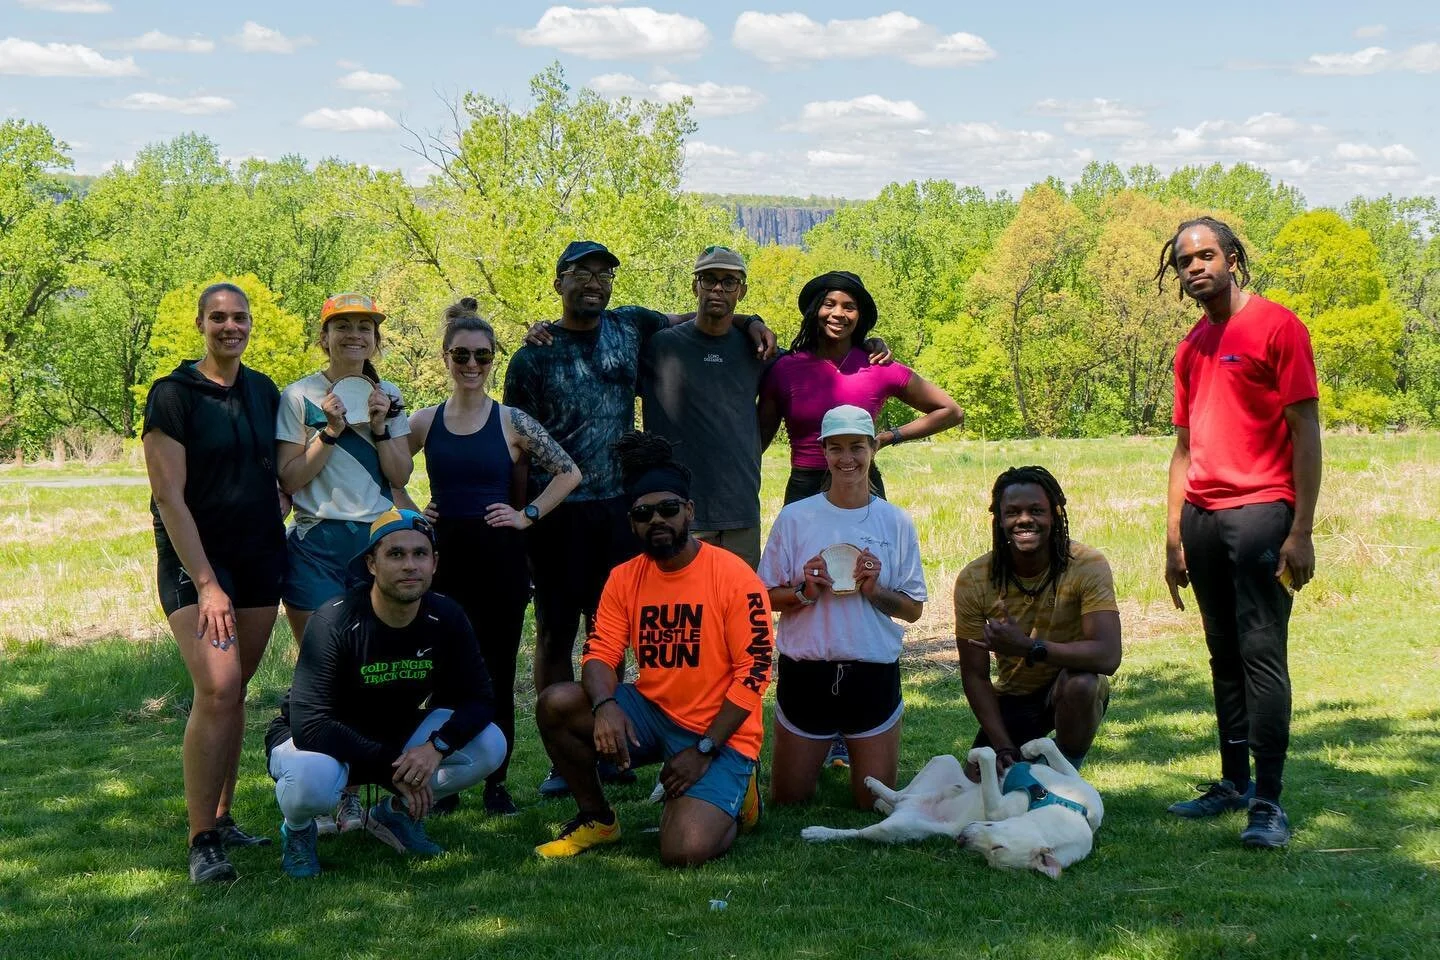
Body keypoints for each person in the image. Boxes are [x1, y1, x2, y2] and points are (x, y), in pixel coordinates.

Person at [504, 240, 775, 797]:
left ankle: (616, 748)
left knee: (612, 631)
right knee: (555, 631)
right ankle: (563, 761)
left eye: (603, 274)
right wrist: (524, 519)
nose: (593, 283)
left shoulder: (631, 326)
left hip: (621, 507)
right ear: (559, 282)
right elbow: (517, 443)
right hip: (557, 510)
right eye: (581, 273)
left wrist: (751, 320)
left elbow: (702, 315)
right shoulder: (533, 355)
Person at [532, 433, 772, 865]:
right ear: (632, 523)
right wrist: (605, 705)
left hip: (720, 730)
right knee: (557, 703)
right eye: (644, 513)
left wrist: (704, 751)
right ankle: (597, 818)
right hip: (653, 713)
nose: (657, 520)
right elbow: (600, 652)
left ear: (689, 511)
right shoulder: (625, 577)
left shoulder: (734, 576)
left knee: (682, 850)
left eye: (668, 509)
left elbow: (754, 673)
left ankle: (741, 796)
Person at [1158, 216, 1321, 850]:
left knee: (1260, 654)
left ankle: (1269, 801)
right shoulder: (1191, 346)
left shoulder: (1278, 326)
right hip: (1201, 518)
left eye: (1206, 255)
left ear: (1232, 258)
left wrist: (1301, 529)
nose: (1195, 267)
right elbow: (1183, 448)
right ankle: (1234, 782)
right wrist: (1173, 538)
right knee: (1222, 653)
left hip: (1262, 515)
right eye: (1184, 261)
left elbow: (1306, 432)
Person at [397, 298, 581, 816]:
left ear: (493, 358)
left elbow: (569, 472)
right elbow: (388, 472)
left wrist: (528, 514)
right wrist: (413, 515)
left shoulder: (511, 420)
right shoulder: (424, 421)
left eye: (482, 356)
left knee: (496, 671)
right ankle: (446, 780)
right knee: (443, 672)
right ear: (446, 358)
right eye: (461, 355)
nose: (472, 365)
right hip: (442, 563)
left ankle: (496, 784)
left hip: (500, 562)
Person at [264, 509, 507, 878]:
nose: (409, 565)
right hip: (321, 741)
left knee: (490, 744)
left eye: (419, 553)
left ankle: (396, 814)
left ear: (434, 563)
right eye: (395, 554)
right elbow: (310, 723)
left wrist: (436, 747)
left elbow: (481, 699)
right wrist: (389, 765)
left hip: (393, 736)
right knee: (312, 780)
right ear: (371, 564)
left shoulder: (447, 616)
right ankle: (297, 830)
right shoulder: (335, 619)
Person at [142, 282, 286, 883]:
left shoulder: (263, 390)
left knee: (236, 689)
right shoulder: (172, 395)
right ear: (201, 323)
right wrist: (207, 584)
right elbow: (168, 498)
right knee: (219, 686)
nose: (231, 327)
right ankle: (202, 840)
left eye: (240, 317)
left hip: (259, 555)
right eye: (219, 317)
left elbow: (280, 468)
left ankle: (224, 819)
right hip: (197, 561)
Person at [276, 292, 414, 830]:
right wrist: (331, 431)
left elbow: (399, 475)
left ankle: (355, 788)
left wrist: (379, 425)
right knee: (322, 669)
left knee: (367, 670)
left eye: (365, 326)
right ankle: (320, 784)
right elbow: (291, 477)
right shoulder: (299, 395)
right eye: (343, 326)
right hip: (317, 544)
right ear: (324, 337)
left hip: (375, 543)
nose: (354, 335)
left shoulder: (390, 393)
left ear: (376, 339)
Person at [757, 406, 927, 810]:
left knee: (873, 804)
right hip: (807, 672)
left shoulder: (895, 522)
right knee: (789, 801)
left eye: (856, 447)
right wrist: (804, 592)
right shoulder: (795, 517)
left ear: (873, 449)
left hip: (872, 673)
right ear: (823, 452)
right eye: (836, 448)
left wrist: (875, 590)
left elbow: (912, 610)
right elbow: (762, 597)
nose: (847, 458)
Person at [955, 466, 1122, 779]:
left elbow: (1108, 655)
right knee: (977, 780)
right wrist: (1002, 746)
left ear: (1055, 514)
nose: (1024, 519)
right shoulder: (975, 579)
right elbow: (975, 675)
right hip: (1014, 695)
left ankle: (1064, 773)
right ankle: (1026, 761)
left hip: (1068, 683)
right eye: (1012, 512)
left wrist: (1029, 647)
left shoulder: (1087, 564)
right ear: (998, 519)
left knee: (1082, 684)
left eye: (1036, 510)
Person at [758, 270, 963, 505]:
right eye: (829, 304)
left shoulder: (878, 365)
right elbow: (756, 444)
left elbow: (951, 411)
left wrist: (888, 437)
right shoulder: (784, 369)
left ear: (859, 316)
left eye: (849, 307)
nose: (838, 313)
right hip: (806, 489)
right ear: (814, 310)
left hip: (864, 484)